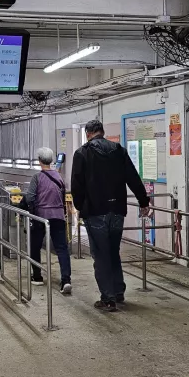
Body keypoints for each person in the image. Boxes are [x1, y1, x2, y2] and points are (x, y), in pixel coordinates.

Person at [71, 120, 150, 312]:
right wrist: (143, 201)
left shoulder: (82, 153)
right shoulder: (118, 150)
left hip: (95, 212)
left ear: (88, 133)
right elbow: (133, 177)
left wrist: (80, 207)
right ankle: (118, 291)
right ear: (102, 132)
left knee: (101, 255)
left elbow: (77, 185)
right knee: (113, 251)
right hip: (117, 211)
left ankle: (108, 298)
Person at [25, 147, 73, 294]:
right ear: (51, 160)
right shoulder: (59, 177)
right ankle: (66, 280)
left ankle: (38, 276)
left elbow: (30, 198)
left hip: (40, 217)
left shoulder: (37, 177)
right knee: (62, 248)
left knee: (35, 246)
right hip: (58, 216)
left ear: (39, 160)